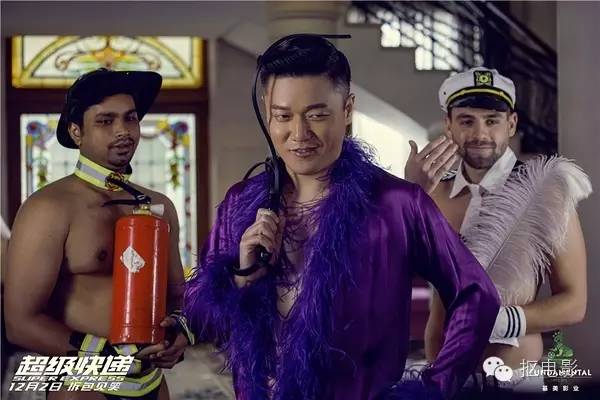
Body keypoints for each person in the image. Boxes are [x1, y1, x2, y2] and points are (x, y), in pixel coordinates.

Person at [184, 35, 500, 400]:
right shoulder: (241, 203)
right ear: (266, 110)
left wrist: (434, 387)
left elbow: (477, 294)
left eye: (317, 115)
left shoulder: (398, 203)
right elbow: (199, 316)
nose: (299, 134)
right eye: (283, 116)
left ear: (347, 109)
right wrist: (241, 277)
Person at [4, 68, 193, 399]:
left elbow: (177, 295)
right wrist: (107, 359)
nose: (123, 130)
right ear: (76, 132)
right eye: (106, 121)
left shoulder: (160, 205)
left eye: (130, 118)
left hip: (151, 384)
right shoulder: (48, 208)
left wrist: (180, 331)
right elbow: (19, 323)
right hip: (82, 386)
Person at [406, 67, 591, 392]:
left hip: (514, 382)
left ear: (512, 124)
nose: (480, 134)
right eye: (466, 121)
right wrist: (408, 194)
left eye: (492, 120)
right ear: (448, 124)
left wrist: (498, 320)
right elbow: (393, 270)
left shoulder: (546, 195)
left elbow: (574, 303)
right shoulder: (434, 194)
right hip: (444, 381)